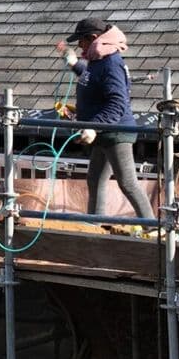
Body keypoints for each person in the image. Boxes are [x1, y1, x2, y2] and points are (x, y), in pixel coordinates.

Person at [65, 17, 154, 225]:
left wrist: (94, 127)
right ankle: (94, 225)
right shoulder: (98, 60)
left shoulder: (111, 63)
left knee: (128, 182)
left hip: (115, 132)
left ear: (94, 38)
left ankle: (151, 226)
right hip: (103, 132)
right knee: (95, 179)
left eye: (81, 41)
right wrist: (74, 65)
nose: (79, 46)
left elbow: (117, 103)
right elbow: (90, 79)